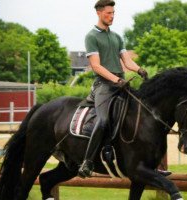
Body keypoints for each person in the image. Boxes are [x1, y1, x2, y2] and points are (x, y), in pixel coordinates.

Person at [78, 0, 148, 178]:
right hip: (104, 85)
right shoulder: (91, 36)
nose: (112, 16)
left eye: (113, 13)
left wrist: (139, 70)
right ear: (99, 13)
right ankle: (87, 162)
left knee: (142, 114)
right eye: (108, 13)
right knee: (102, 121)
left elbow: (127, 61)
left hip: (121, 83)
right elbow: (96, 66)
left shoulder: (117, 37)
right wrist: (116, 79)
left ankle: (148, 161)